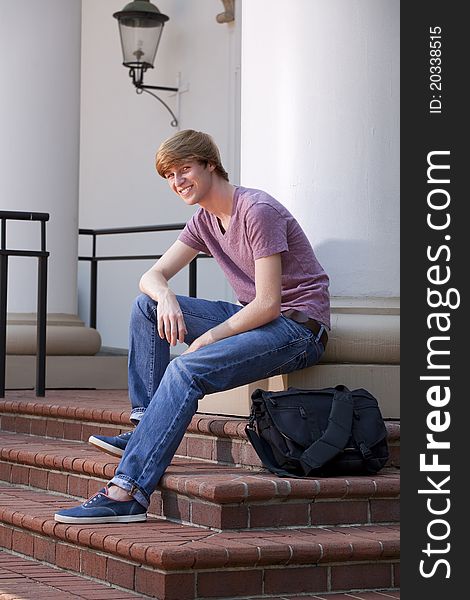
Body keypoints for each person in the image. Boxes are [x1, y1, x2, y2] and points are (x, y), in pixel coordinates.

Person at [54, 130, 330, 524]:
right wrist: (164, 295)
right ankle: (144, 426)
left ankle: (128, 491)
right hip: (261, 320)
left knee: (186, 368)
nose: (177, 181)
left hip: (298, 329)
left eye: (185, 169)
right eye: (169, 175)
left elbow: (269, 304)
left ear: (210, 165)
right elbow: (152, 276)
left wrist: (211, 336)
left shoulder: (256, 210)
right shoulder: (204, 220)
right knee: (146, 305)